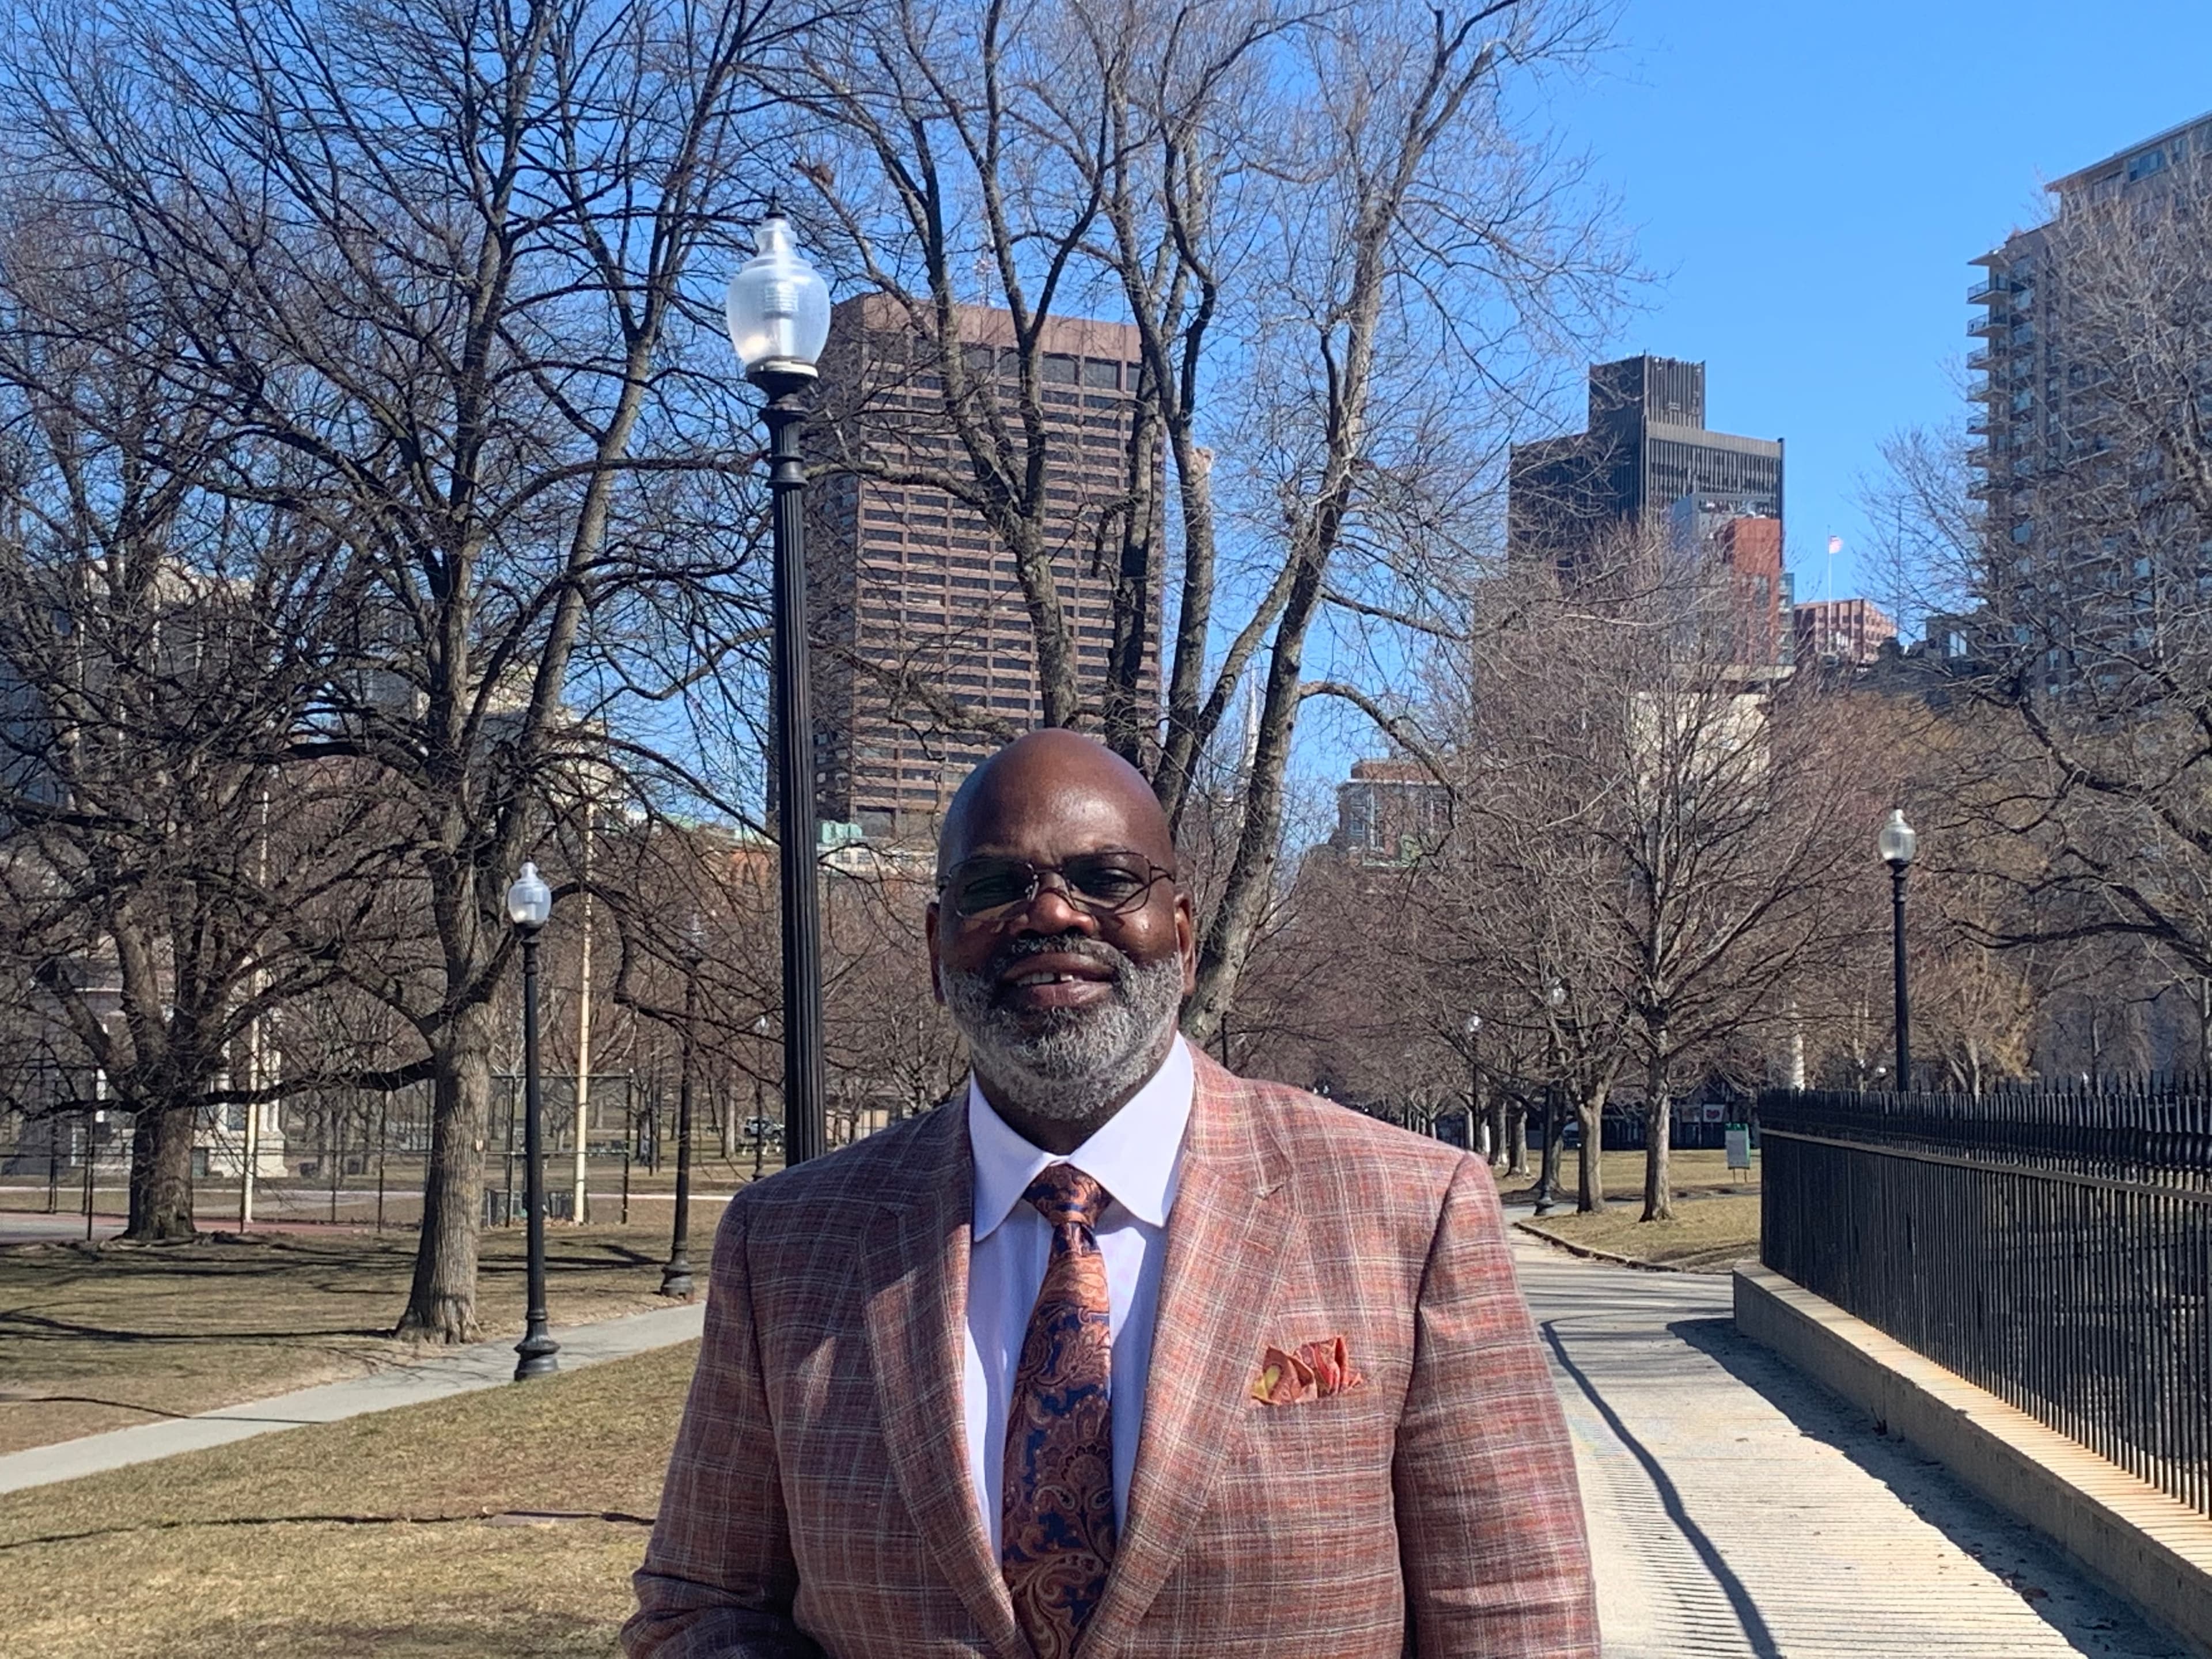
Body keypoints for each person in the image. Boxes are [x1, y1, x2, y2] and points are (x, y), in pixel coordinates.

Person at [626, 730, 1597, 1658]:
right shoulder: (790, 1241)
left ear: (1180, 930)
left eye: (1104, 880)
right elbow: (703, 1608)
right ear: (936, 944)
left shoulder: (1411, 1211)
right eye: (998, 885)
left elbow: (1515, 1617)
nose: (1051, 914)